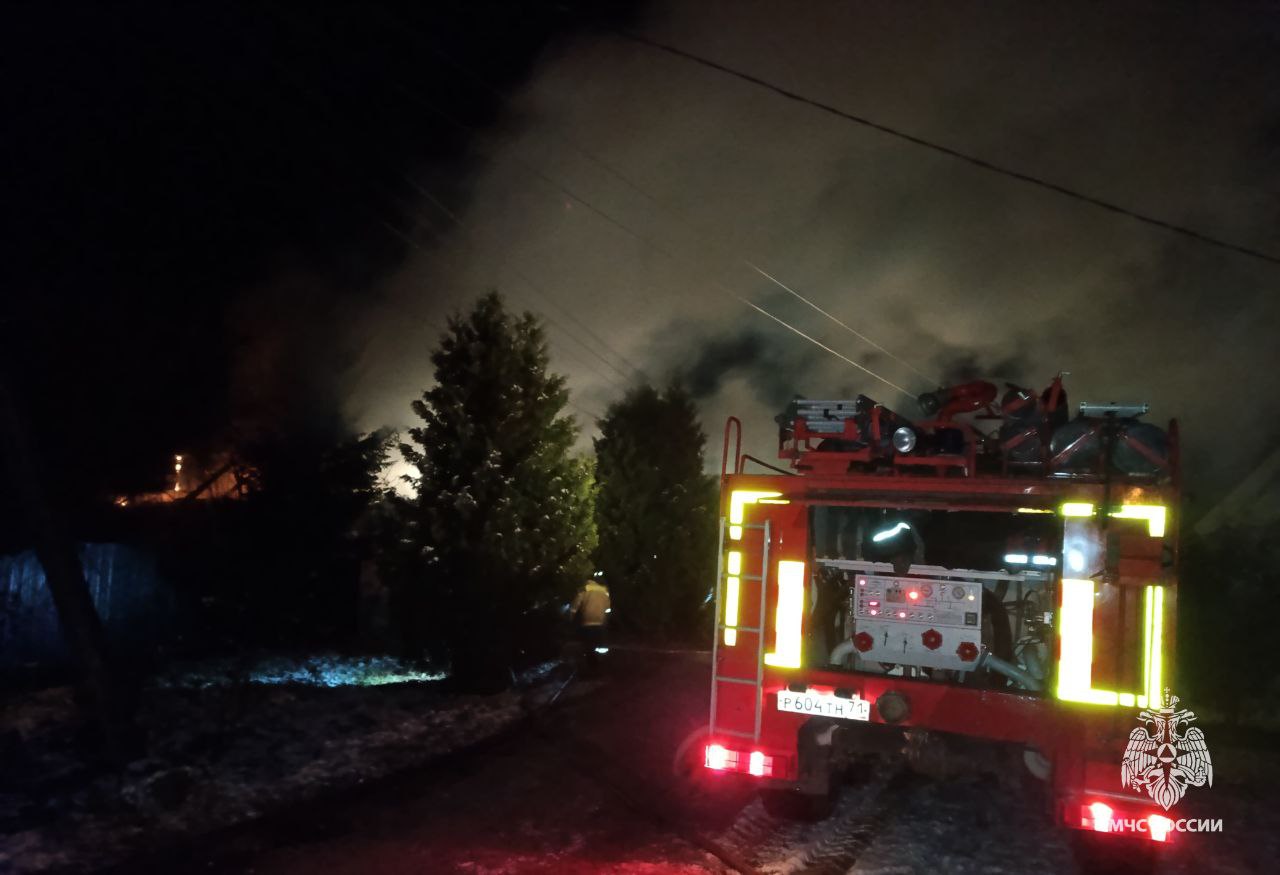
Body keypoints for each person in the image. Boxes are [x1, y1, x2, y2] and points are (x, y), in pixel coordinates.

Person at [571, 572, 611, 655]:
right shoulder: (603, 590)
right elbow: (607, 607)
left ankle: (590, 656)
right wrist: (605, 617)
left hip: (587, 619)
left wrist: (572, 615)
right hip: (600, 620)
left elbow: (576, 604)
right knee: (600, 641)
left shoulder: (584, 588)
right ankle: (601, 658)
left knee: (588, 643)